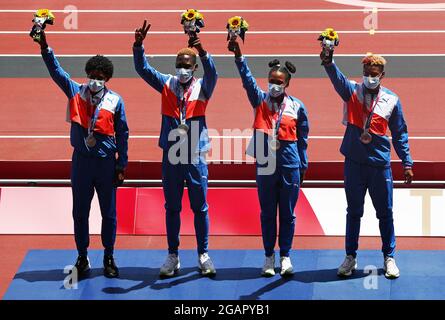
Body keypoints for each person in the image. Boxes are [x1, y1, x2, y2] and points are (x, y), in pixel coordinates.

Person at [34, 31, 129, 278]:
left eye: (99, 77)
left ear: (107, 78)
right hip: (81, 163)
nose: (94, 80)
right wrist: (45, 46)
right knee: (80, 212)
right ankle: (83, 257)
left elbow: (123, 133)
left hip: (106, 164)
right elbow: (56, 71)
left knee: (109, 213)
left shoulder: (116, 101)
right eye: (91, 76)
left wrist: (122, 165)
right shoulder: (76, 92)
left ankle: (109, 256)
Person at [132, 21, 218, 277]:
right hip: (171, 155)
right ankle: (173, 255)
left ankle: (203, 254)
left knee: (200, 207)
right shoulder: (166, 83)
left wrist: (202, 51)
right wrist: (138, 45)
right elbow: (142, 69)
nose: (182, 69)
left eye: (186, 66)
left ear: (194, 68)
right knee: (171, 207)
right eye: (179, 65)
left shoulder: (203, 86)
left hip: (194, 155)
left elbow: (213, 73)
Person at [320, 46, 414, 279]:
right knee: (353, 212)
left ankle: (389, 257)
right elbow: (337, 79)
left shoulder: (392, 100)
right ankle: (350, 257)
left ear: (382, 75)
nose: (370, 77)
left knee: (385, 213)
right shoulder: (351, 91)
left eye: (375, 74)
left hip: (379, 166)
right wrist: (328, 62)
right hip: (354, 163)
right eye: (367, 73)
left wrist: (407, 163)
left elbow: (400, 133)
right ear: (362, 71)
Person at [228, 38, 309, 277]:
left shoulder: (297, 106)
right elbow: (246, 80)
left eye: (279, 82)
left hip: (289, 163)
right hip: (265, 162)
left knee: (288, 213)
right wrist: (239, 57)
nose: (274, 85)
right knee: (266, 213)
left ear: (287, 84)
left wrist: (303, 164)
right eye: (271, 81)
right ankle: (268, 257)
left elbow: (303, 137)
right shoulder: (259, 99)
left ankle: (285, 256)